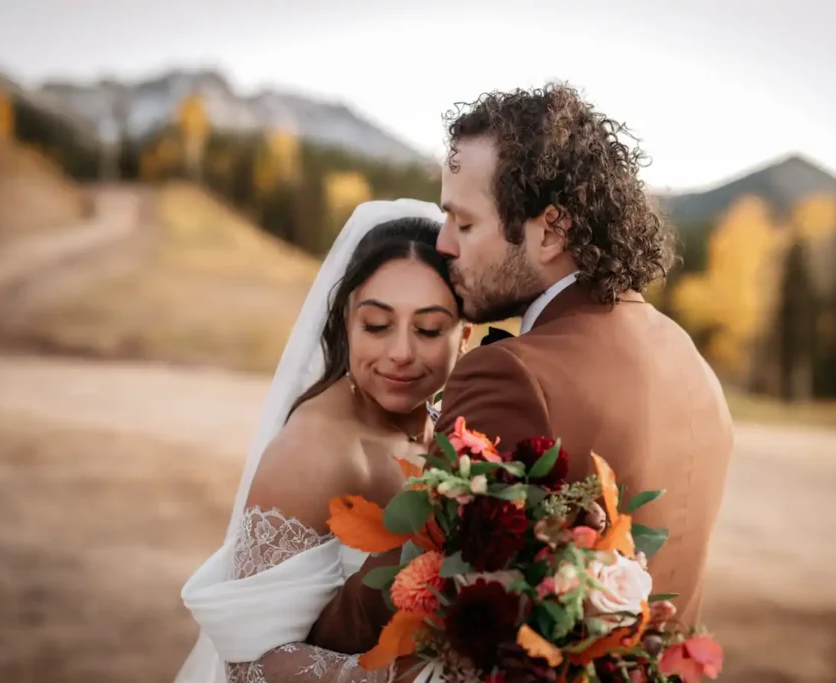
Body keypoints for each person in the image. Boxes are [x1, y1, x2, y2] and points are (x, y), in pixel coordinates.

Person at [313, 84, 735, 674]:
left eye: (464, 222)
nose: (443, 244)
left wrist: (300, 635)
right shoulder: (686, 356)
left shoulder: (511, 375)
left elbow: (414, 575)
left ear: (550, 229)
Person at [176, 199, 471, 683]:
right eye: (376, 325)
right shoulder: (313, 453)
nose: (401, 352)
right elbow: (249, 664)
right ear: (345, 323)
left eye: (429, 329)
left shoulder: (454, 434)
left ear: (465, 336)